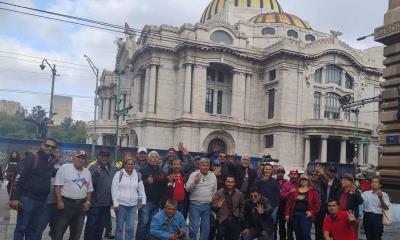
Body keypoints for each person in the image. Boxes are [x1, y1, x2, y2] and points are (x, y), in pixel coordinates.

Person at [10, 138, 58, 240]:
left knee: (33, 229)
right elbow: (17, 177)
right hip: (27, 199)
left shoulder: (49, 162)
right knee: (21, 228)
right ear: (42, 145)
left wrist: (56, 161)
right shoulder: (31, 158)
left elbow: (55, 173)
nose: (49, 148)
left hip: (42, 202)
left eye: (52, 147)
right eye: (47, 145)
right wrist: (14, 198)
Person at [53, 150, 93, 240]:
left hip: (80, 206)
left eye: (83, 158)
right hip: (66, 204)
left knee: (76, 234)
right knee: (58, 232)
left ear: (85, 161)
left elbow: (89, 190)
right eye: (78, 157)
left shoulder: (87, 172)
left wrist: (88, 202)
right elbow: (57, 186)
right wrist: (59, 201)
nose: (80, 160)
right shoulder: (64, 167)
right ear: (74, 158)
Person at [85, 149, 117, 240]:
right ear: (98, 156)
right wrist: (95, 174)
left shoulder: (112, 167)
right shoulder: (92, 167)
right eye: (102, 156)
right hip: (94, 204)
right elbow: (87, 184)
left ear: (109, 157)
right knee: (91, 226)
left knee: (100, 227)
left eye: (107, 156)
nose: (104, 158)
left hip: (106, 204)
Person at [111, 157, 146, 240]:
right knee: (119, 228)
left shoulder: (137, 175)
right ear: (125, 165)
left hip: (133, 206)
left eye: (132, 164)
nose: (130, 165)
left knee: (130, 228)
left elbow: (141, 189)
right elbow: (113, 189)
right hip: (121, 205)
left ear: (134, 165)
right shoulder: (119, 174)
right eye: (128, 164)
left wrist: (144, 200)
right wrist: (115, 203)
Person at [186, 158, 217, 240]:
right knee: (194, 228)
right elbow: (187, 189)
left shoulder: (213, 175)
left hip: (207, 206)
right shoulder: (193, 174)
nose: (205, 167)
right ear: (199, 166)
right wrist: (195, 182)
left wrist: (211, 199)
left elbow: (214, 190)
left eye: (207, 165)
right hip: (195, 205)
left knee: (206, 229)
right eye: (203, 165)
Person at [136, 151, 163, 240]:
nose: (155, 158)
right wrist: (146, 181)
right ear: (148, 159)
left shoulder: (160, 169)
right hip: (145, 202)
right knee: (143, 224)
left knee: (151, 224)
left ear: (159, 159)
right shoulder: (143, 169)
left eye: (156, 157)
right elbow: (137, 184)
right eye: (152, 157)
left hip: (157, 202)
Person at [285, 174, 320, 240]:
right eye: (302, 179)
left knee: (305, 234)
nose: (303, 181)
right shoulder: (295, 190)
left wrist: (312, 212)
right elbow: (289, 203)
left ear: (308, 181)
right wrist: (287, 214)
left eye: (305, 179)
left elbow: (317, 204)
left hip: (306, 216)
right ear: (299, 181)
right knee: (298, 235)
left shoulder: (313, 192)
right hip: (295, 215)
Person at [37, 147, 61, 239]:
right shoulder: (44, 164)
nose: (57, 154)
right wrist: (51, 163)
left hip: (57, 203)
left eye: (59, 152)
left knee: (56, 228)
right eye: (55, 152)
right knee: (40, 226)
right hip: (46, 202)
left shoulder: (62, 167)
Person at [212, 175, 245, 240]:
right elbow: (213, 206)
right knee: (220, 234)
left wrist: (240, 216)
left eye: (232, 182)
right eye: (228, 182)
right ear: (225, 182)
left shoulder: (239, 193)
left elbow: (242, 206)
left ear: (234, 183)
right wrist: (217, 206)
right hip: (222, 218)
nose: (230, 184)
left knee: (234, 235)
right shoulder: (219, 192)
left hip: (235, 218)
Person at [255, 163, 280, 240]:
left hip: (272, 209)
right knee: (260, 227)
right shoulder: (258, 179)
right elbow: (254, 191)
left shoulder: (275, 181)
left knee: (270, 228)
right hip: (260, 208)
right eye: (266, 169)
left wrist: (276, 207)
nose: (268, 171)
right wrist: (261, 181)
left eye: (269, 169)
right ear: (263, 170)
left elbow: (277, 195)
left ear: (272, 170)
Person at [280, 169, 299, 240]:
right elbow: (282, 196)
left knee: (299, 230)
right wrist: (289, 192)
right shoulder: (286, 184)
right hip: (288, 209)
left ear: (297, 175)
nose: (293, 176)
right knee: (289, 230)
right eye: (292, 174)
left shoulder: (300, 183)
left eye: (295, 174)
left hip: (298, 209)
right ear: (290, 175)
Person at [308, 169, 325, 240]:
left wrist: (322, 174)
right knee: (306, 229)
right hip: (308, 209)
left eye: (315, 174)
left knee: (319, 230)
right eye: (312, 174)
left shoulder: (322, 183)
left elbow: (328, 181)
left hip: (320, 209)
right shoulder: (305, 183)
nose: (313, 175)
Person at [276, 166, 288, 240]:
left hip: (283, 208)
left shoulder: (287, 183)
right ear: (276, 173)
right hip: (274, 207)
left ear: (284, 173)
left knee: (282, 227)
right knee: (273, 226)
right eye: (278, 172)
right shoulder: (273, 181)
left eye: (282, 172)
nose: (280, 174)